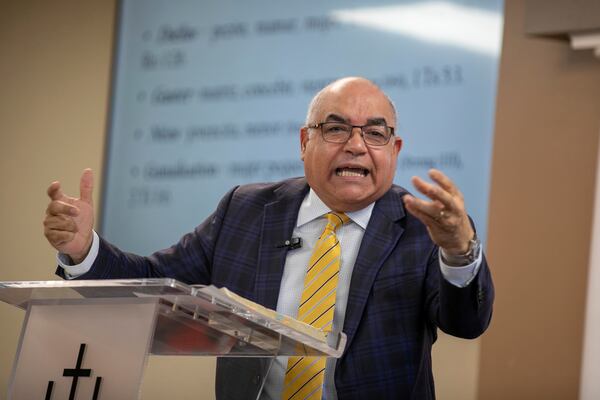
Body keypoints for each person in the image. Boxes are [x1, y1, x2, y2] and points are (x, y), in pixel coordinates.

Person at [43, 77, 493, 400]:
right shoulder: (246, 210)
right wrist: (83, 250)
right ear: (304, 142)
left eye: (375, 133)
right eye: (336, 128)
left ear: (393, 152)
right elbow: (154, 282)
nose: (356, 145)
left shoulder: (425, 228)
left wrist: (458, 251)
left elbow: (466, 323)